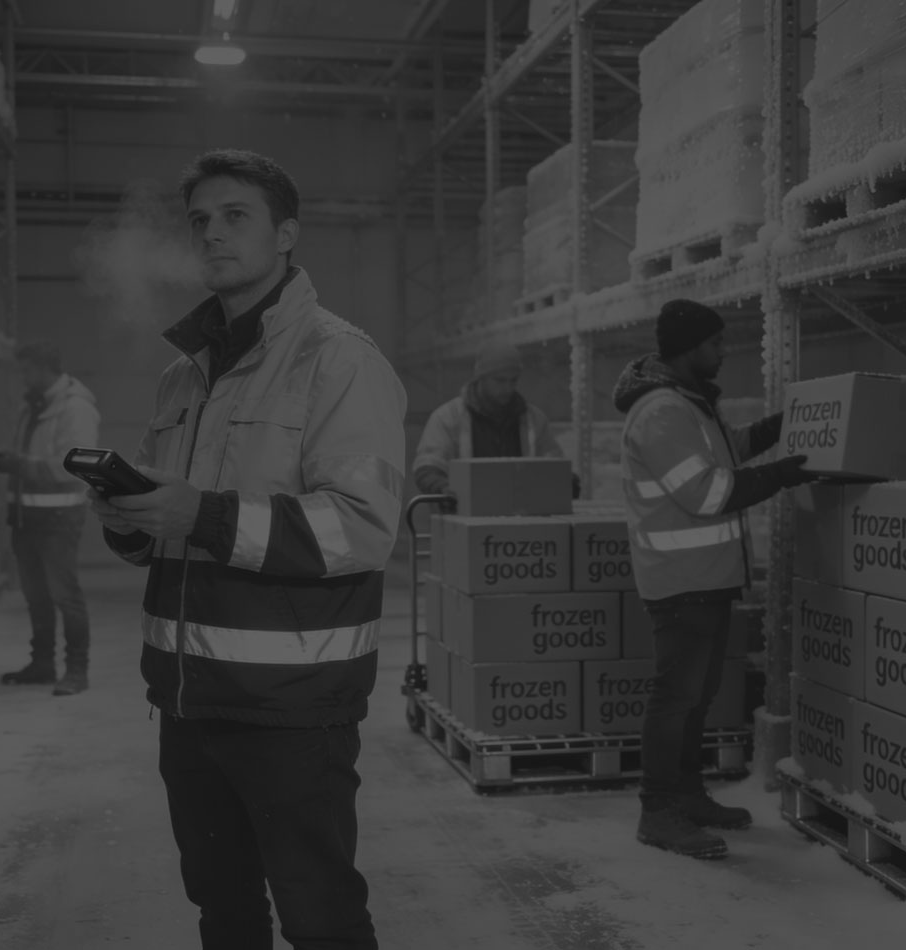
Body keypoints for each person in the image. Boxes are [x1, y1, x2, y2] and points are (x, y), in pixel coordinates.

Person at [91, 148, 405, 950]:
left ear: (287, 234)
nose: (212, 234)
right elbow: (165, 539)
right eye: (199, 220)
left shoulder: (339, 361)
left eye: (236, 217)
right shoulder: (181, 379)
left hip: (290, 708)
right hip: (188, 701)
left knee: (321, 917)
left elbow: (361, 528)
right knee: (222, 911)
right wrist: (129, 515)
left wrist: (202, 514)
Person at [613, 298, 813, 859]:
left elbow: (727, 452)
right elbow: (708, 493)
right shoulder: (662, 412)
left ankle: (687, 794)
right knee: (675, 698)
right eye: (717, 342)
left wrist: (777, 430)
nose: (725, 350)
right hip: (681, 582)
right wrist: (780, 476)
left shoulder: (690, 405)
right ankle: (658, 811)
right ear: (689, 347)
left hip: (706, 578)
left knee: (695, 697)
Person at [0, 341, 101, 695]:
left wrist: (18, 464)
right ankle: (43, 664)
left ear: (45, 368)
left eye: (27, 370)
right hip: (26, 516)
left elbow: (74, 465)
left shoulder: (75, 408)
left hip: (59, 518)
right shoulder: (33, 406)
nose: (23, 377)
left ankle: (77, 671)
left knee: (65, 594)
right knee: (36, 595)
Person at [412, 340, 578, 501]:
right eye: (500, 380)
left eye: (513, 380)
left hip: (521, 520)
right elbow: (428, 467)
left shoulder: (534, 419)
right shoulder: (448, 417)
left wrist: (567, 480)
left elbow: (554, 464)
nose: (508, 388)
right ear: (481, 378)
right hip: (465, 517)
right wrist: (443, 488)